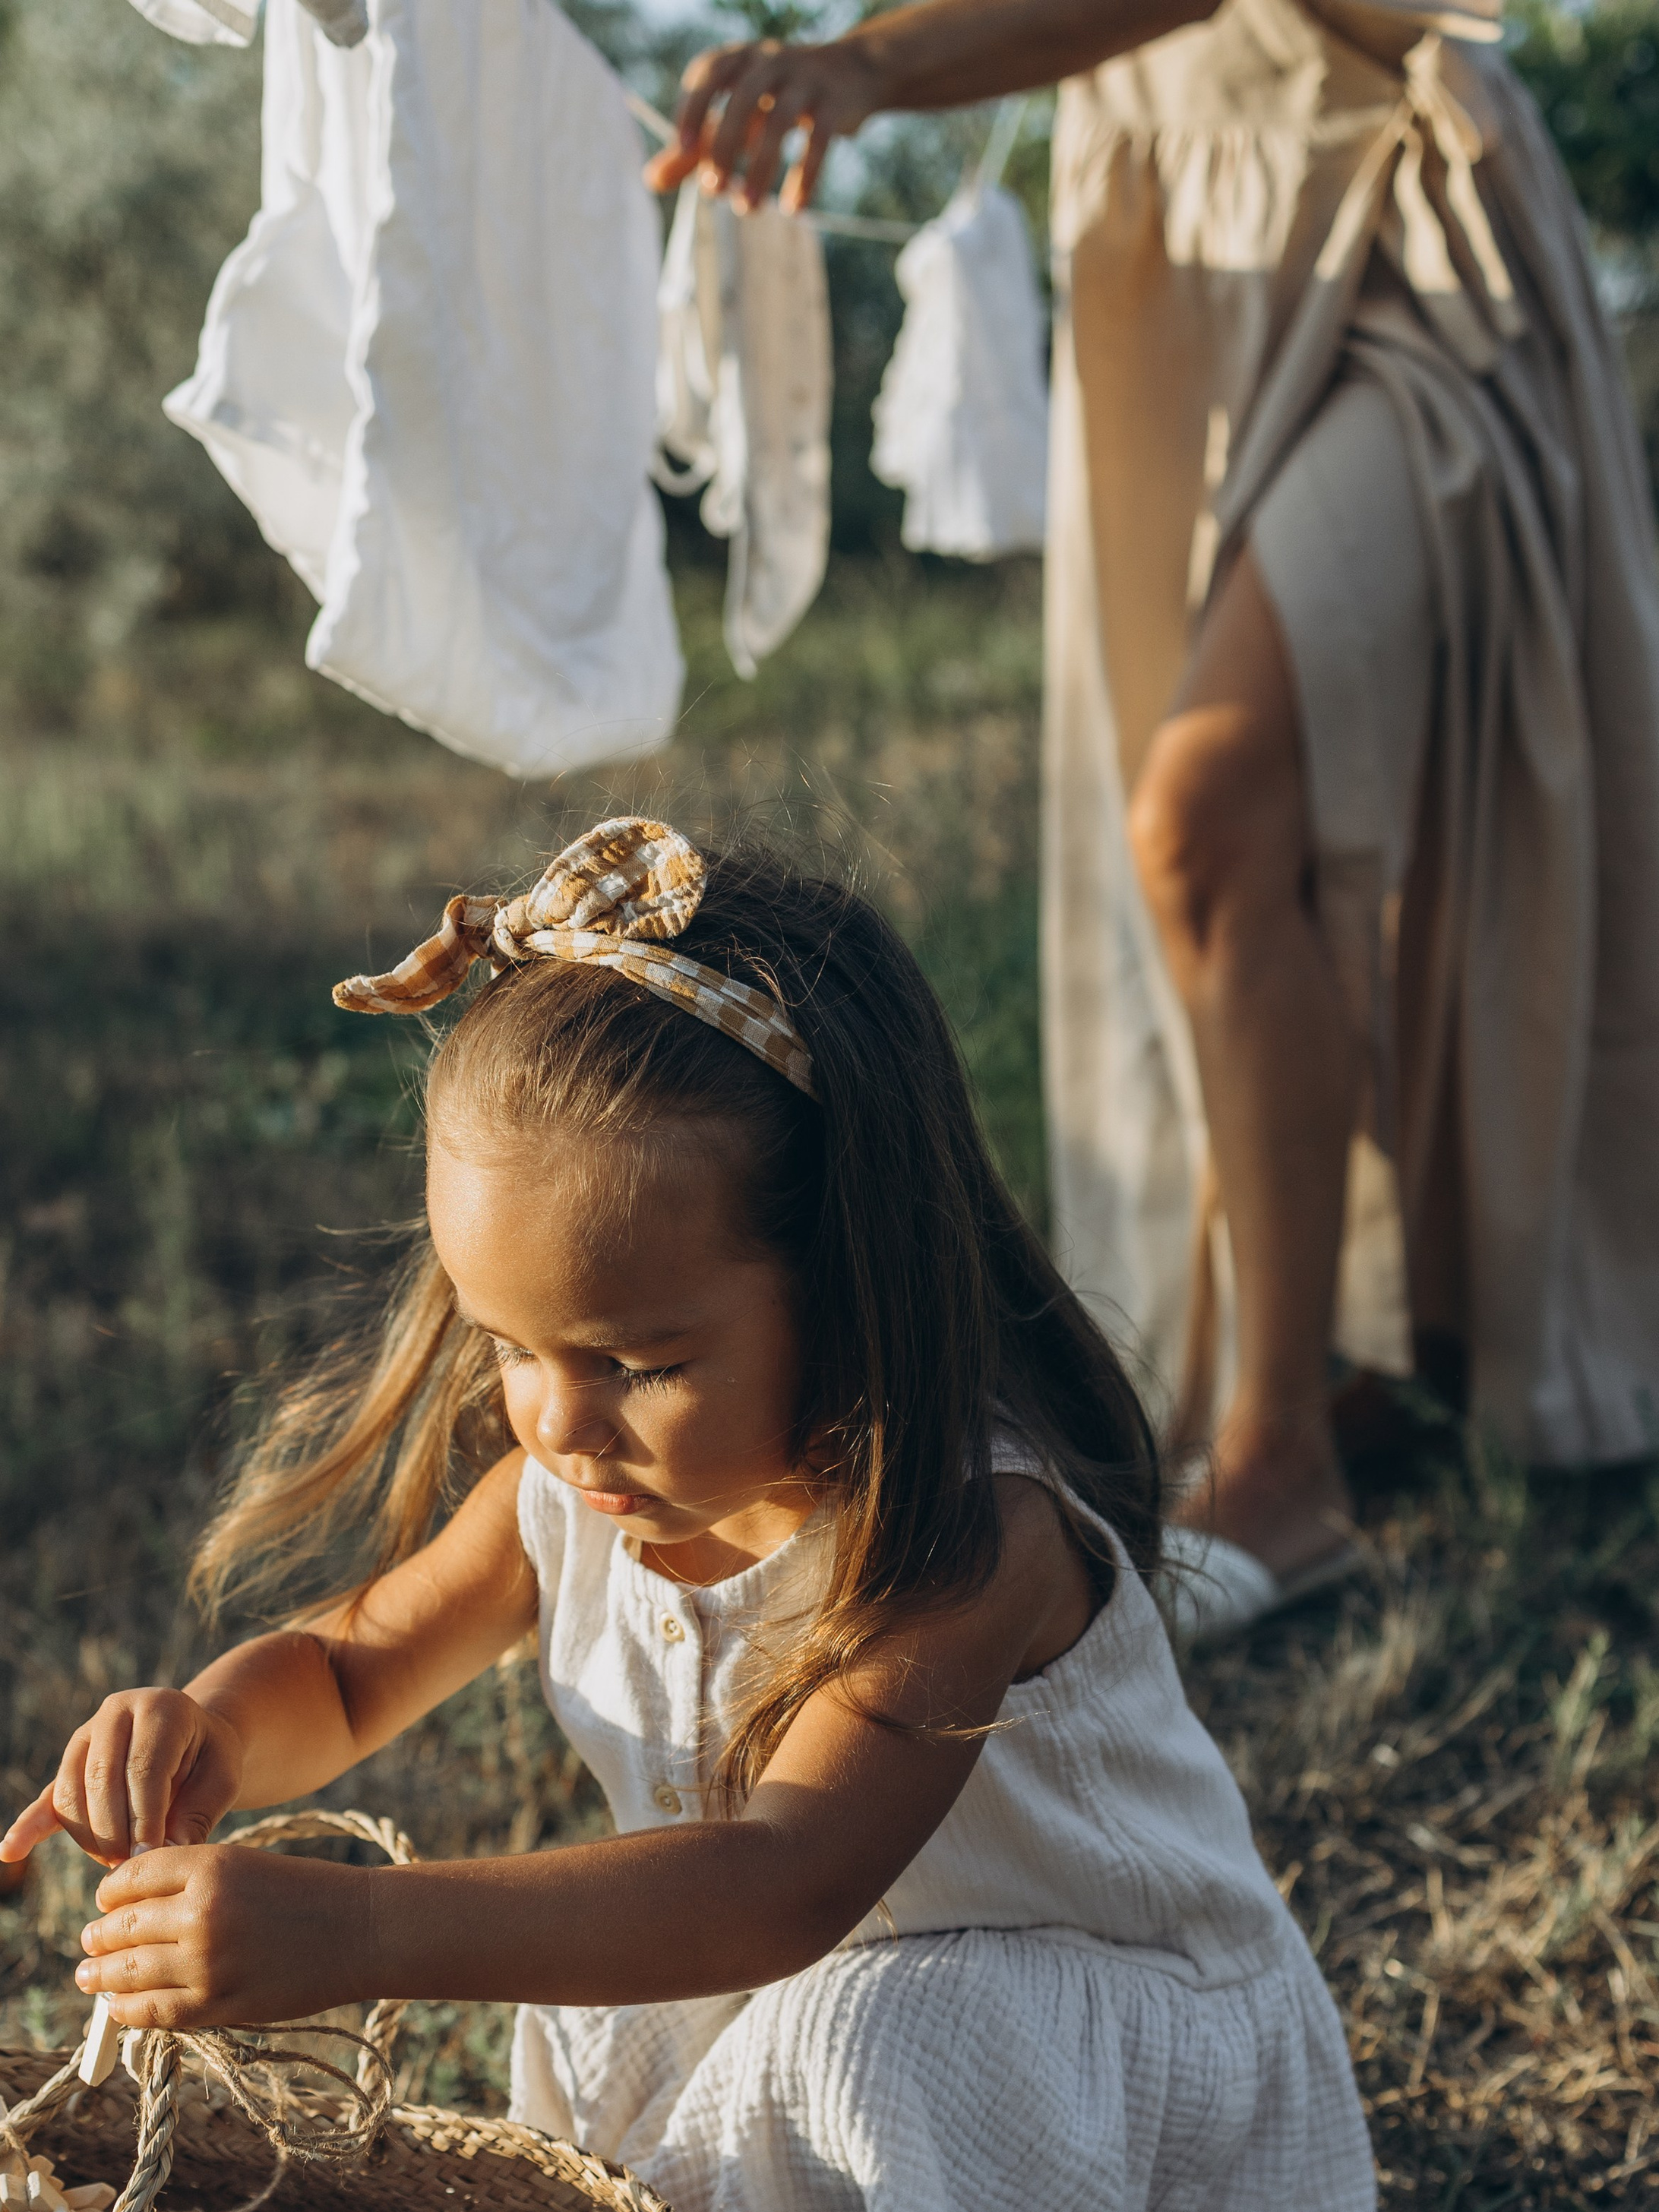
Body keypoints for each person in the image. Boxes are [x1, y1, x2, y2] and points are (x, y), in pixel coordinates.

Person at [0, 817, 1378, 2212]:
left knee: (862, 2028)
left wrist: (355, 1938)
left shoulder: (959, 1539)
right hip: (841, 2010)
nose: (560, 1420)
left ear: (848, 1275)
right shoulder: (568, 1473)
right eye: (509, 1345)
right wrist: (207, 1727)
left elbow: (782, 1887)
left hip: (1108, 2063)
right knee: (589, 2013)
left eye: (640, 1355)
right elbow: (348, 1659)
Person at [651, 0, 1659, 1635]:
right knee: (1253, 845)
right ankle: (1349, 1358)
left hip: (1397, 229)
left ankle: (1281, 1462)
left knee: (1204, 810)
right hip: (1180, 253)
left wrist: (867, 65)